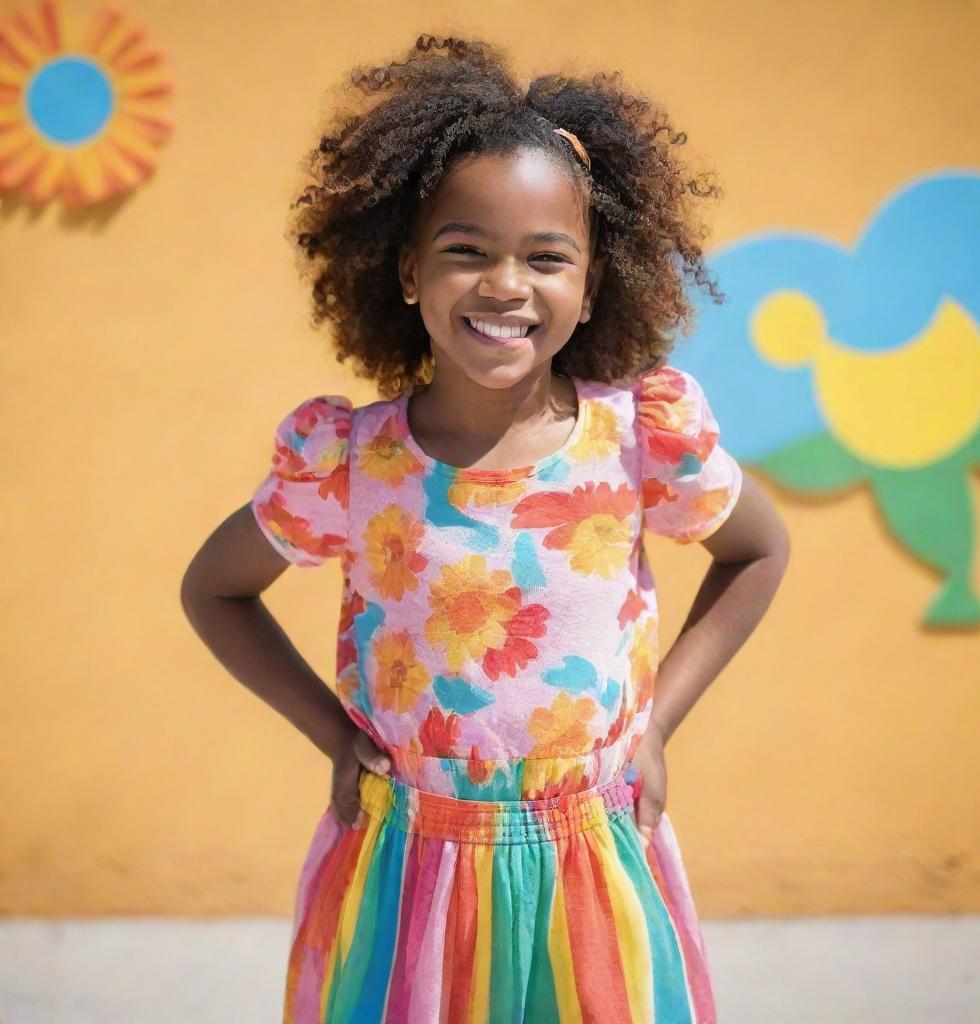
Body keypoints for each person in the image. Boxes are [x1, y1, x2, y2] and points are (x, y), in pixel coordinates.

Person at [181, 33, 789, 1024]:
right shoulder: (351, 461)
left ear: (591, 286)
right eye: (466, 251)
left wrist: (658, 722)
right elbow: (215, 587)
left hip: (592, 852)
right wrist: (333, 734)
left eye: (547, 257)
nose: (506, 285)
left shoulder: (640, 439)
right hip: (405, 862)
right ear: (407, 273)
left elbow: (757, 548)